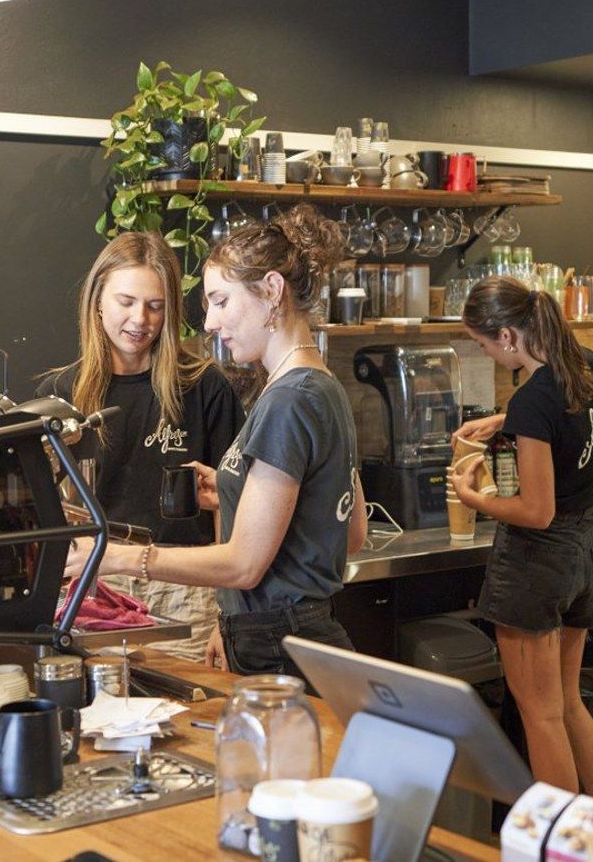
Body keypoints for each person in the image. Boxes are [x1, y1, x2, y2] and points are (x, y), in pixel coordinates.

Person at [66, 204, 367, 678]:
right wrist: (231, 491)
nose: (208, 323)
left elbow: (245, 565)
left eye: (221, 301)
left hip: (276, 639)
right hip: (293, 631)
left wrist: (116, 556)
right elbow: (352, 534)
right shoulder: (322, 385)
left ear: (271, 290)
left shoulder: (286, 400)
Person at [447, 275, 593, 802]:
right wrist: (507, 420)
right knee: (567, 704)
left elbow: (535, 511)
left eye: (482, 345)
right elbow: (563, 422)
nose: (487, 354)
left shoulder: (533, 399)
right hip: (586, 553)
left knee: (540, 716)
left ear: (506, 336)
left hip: (538, 562)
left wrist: (469, 496)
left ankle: (562, 848)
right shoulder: (587, 365)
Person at [38, 231, 243, 662]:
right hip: (91, 589)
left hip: (184, 590)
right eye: (126, 302)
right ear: (97, 300)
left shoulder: (204, 387)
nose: (140, 320)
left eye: (155, 306)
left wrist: (228, 617)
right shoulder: (60, 394)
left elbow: (232, 505)